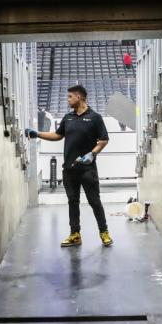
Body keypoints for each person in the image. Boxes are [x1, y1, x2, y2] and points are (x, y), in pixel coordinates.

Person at [26, 85, 113, 247]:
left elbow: (103, 140)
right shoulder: (68, 117)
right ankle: (75, 235)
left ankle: (104, 232)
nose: (68, 100)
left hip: (88, 170)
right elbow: (58, 135)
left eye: (70, 97)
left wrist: (92, 154)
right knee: (73, 202)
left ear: (79, 97)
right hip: (69, 170)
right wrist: (37, 134)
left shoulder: (95, 117)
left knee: (94, 201)